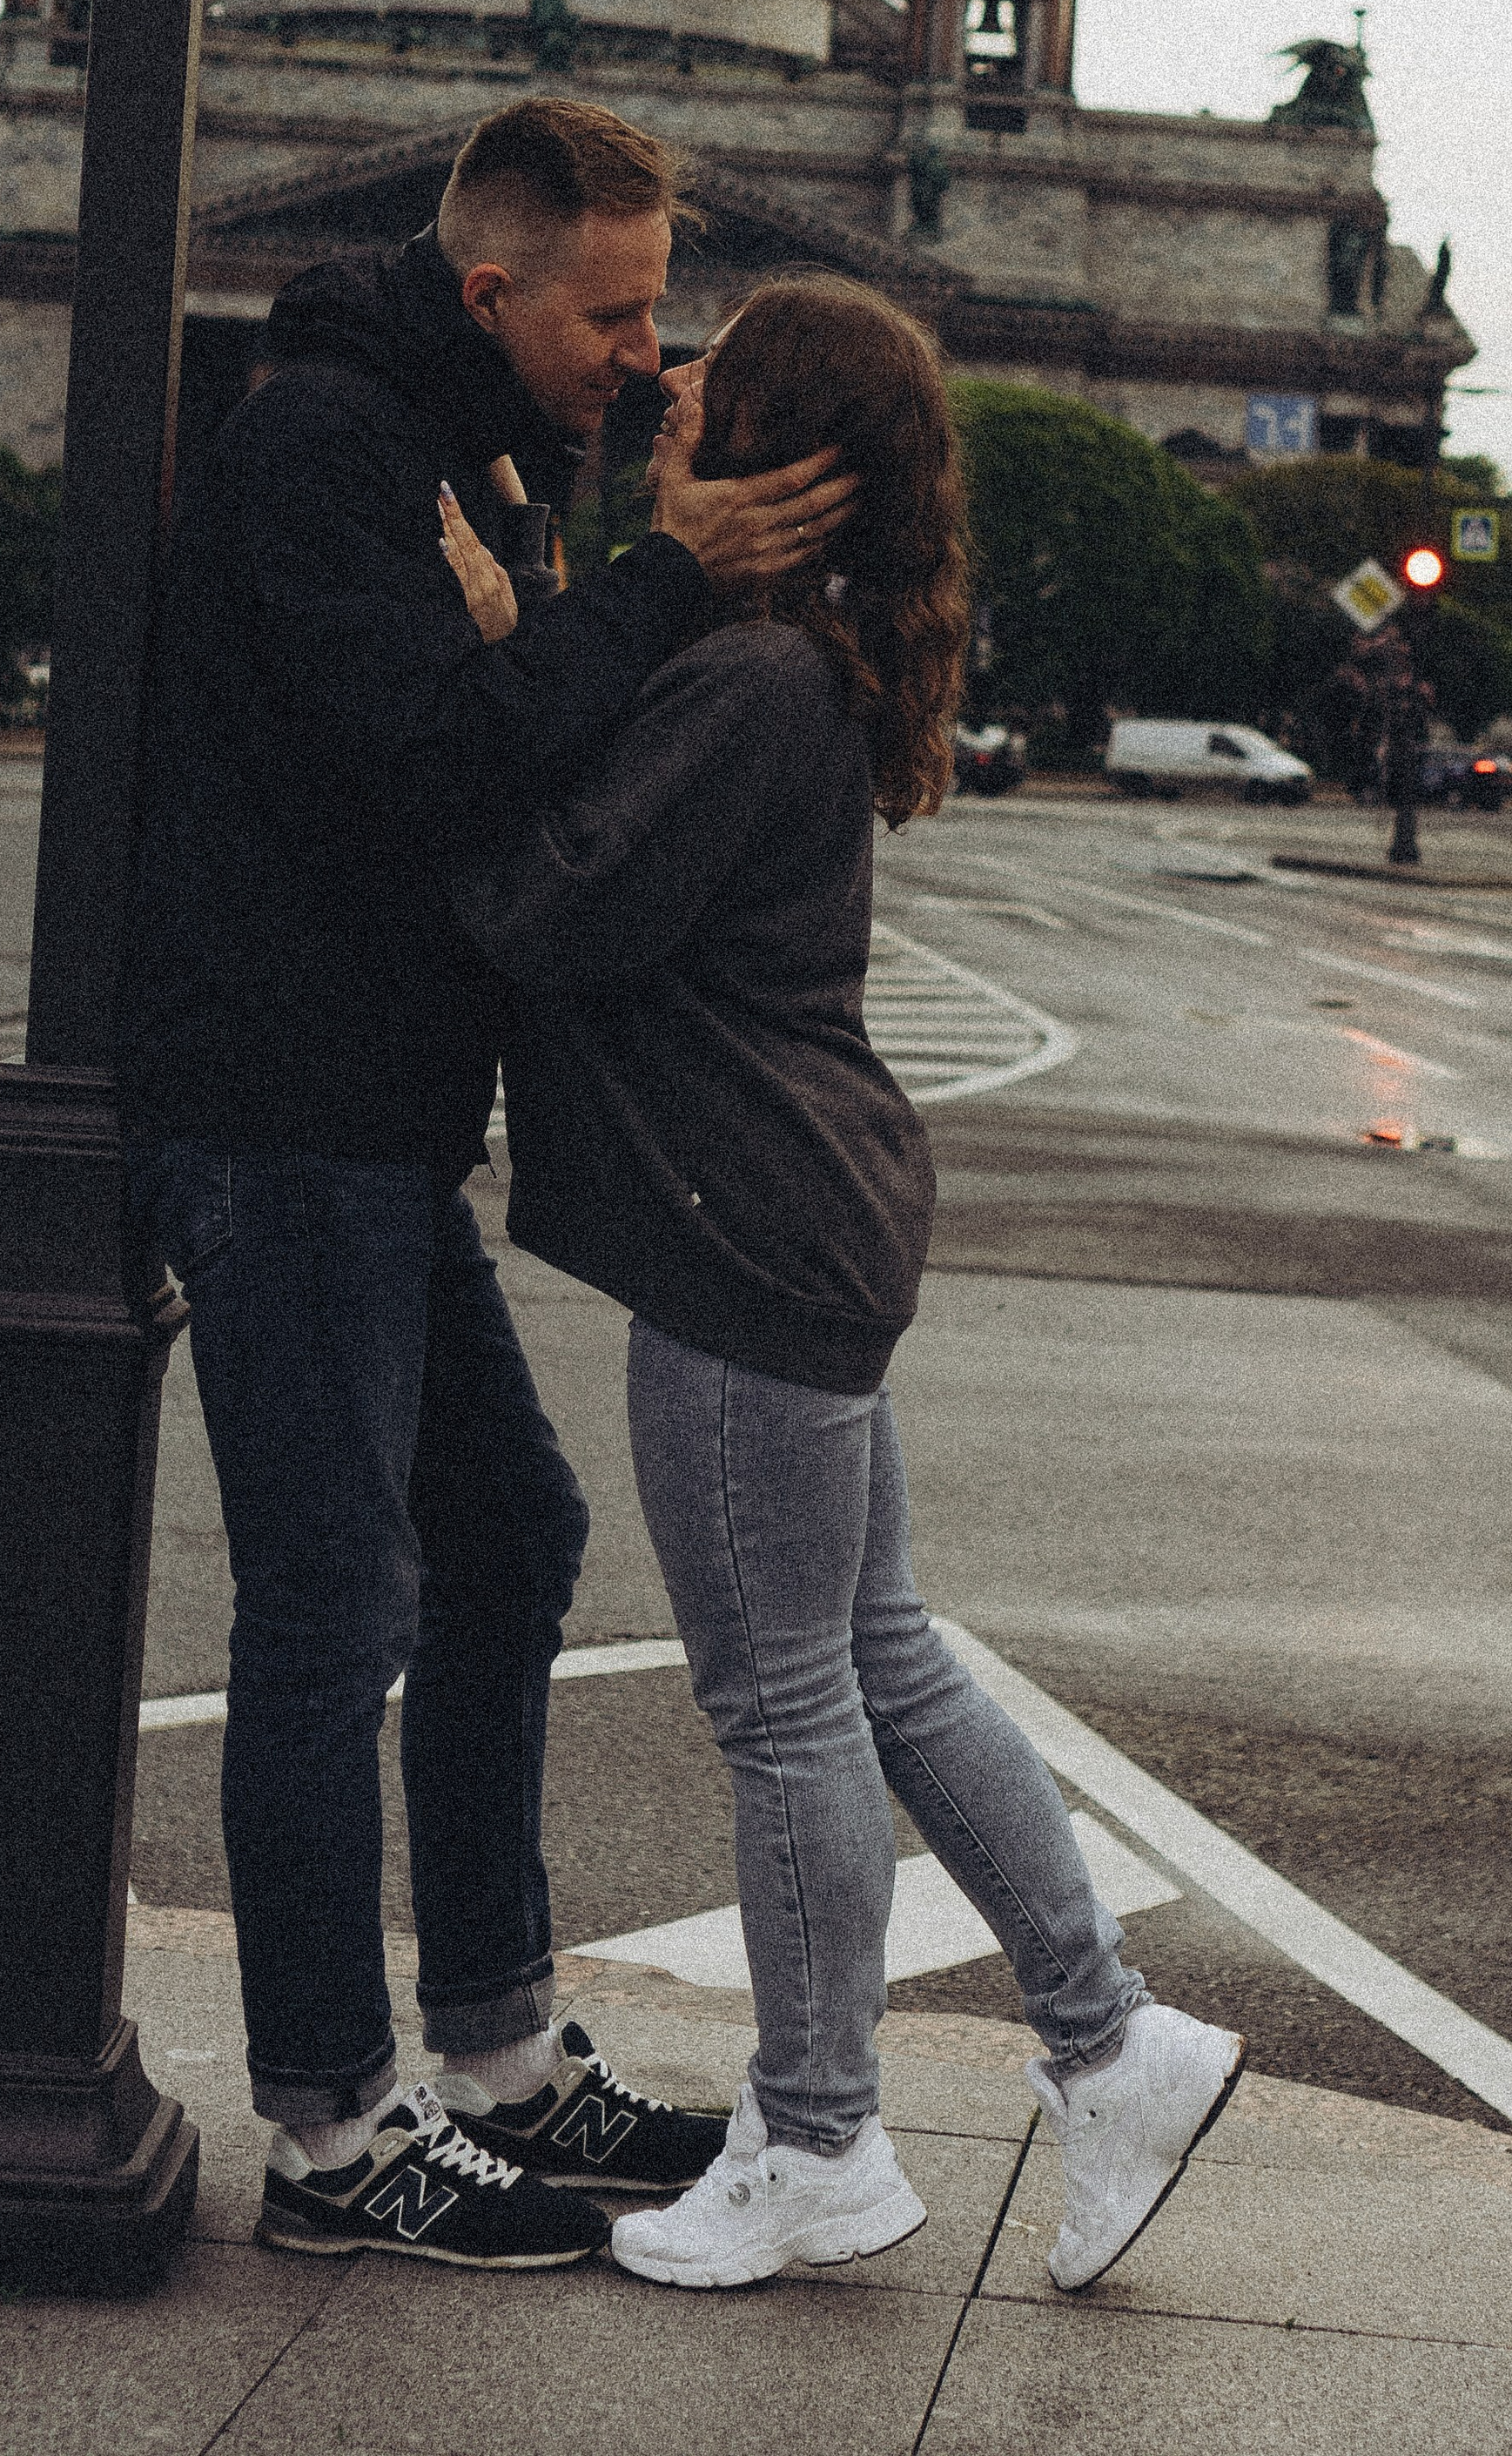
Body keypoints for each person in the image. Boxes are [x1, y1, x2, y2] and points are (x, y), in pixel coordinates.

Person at [444, 273, 1243, 2295]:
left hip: (743, 1234)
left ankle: (817, 2142)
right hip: (798, 1212)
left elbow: (545, 907)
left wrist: (490, 673)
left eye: (709, 370)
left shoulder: (747, 685)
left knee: (784, 1700)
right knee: (877, 1657)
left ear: (780, 450)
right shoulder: (775, 670)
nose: (670, 378)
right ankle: (1106, 2038)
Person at [119, 99, 853, 2273]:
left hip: (364, 1113)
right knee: (334, 1607)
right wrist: (654, 583)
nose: (645, 352)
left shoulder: (460, 450)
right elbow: (433, 764)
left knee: (506, 1538)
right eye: (614, 312)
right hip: (279, 1107)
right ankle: (338, 2138)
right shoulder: (328, 447)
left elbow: (491, 736)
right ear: (492, 292)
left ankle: (501, 2055)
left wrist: (564, 598)